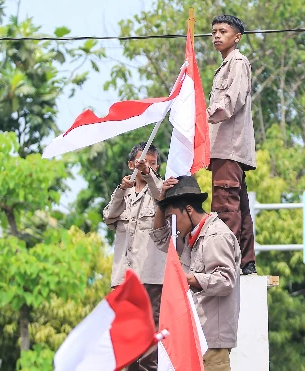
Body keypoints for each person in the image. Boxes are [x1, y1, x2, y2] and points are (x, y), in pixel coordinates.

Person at [151, 175, 241, 371]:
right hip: (194, 337)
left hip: (212, 341)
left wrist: (188, 279)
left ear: (189, 211)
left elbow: (226, 281)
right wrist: (161, 203)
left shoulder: (216, 235)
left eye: (172, 217)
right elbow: (159, 237)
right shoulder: (189, 239)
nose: (171, 224)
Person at [102, 142, 165, 371]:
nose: (147, 167)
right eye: (141, 163)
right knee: (125, 337)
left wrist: (149, 175)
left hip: (149, 277)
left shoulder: (159, 190)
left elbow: (163, 198)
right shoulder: (123, 193)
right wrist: (120, 189)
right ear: (131, 164)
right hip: (124, 278)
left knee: (149, 340)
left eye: (152, 163)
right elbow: (109, 216)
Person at [206, 14, 257, 275]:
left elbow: (230, 101)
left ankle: (225, 264)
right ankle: (246, 263)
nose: (216, 35)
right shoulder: (227, 63)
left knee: (225, 207)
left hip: (229, 147)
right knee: (239, 207)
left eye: (222, 31)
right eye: (214, 31)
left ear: (236, 37)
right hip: (226, 149)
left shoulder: (237, 62)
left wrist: (202, 117)